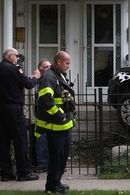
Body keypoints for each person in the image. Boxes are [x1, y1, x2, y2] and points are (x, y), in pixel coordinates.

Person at [35, 51, 76, 194]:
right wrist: (60, 116)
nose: (69, 66)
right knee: (56, 156)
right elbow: (46, 99)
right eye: (67, 63)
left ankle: (57, 182)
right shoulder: (48, 77)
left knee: (63, 155)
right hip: (55, 125)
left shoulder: (58, 75)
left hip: (63, 125)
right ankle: (51, 186)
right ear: (58, 62)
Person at [0, 47, 41, 182]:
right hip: (14, 108)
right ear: (10, 56)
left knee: (3, 142)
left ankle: (6, 173)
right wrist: (36, 77)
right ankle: (24, 172)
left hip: (2, 108)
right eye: (16, 56)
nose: (18, 59)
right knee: (20, 140)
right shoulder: (14, 69)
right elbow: (28, 84)